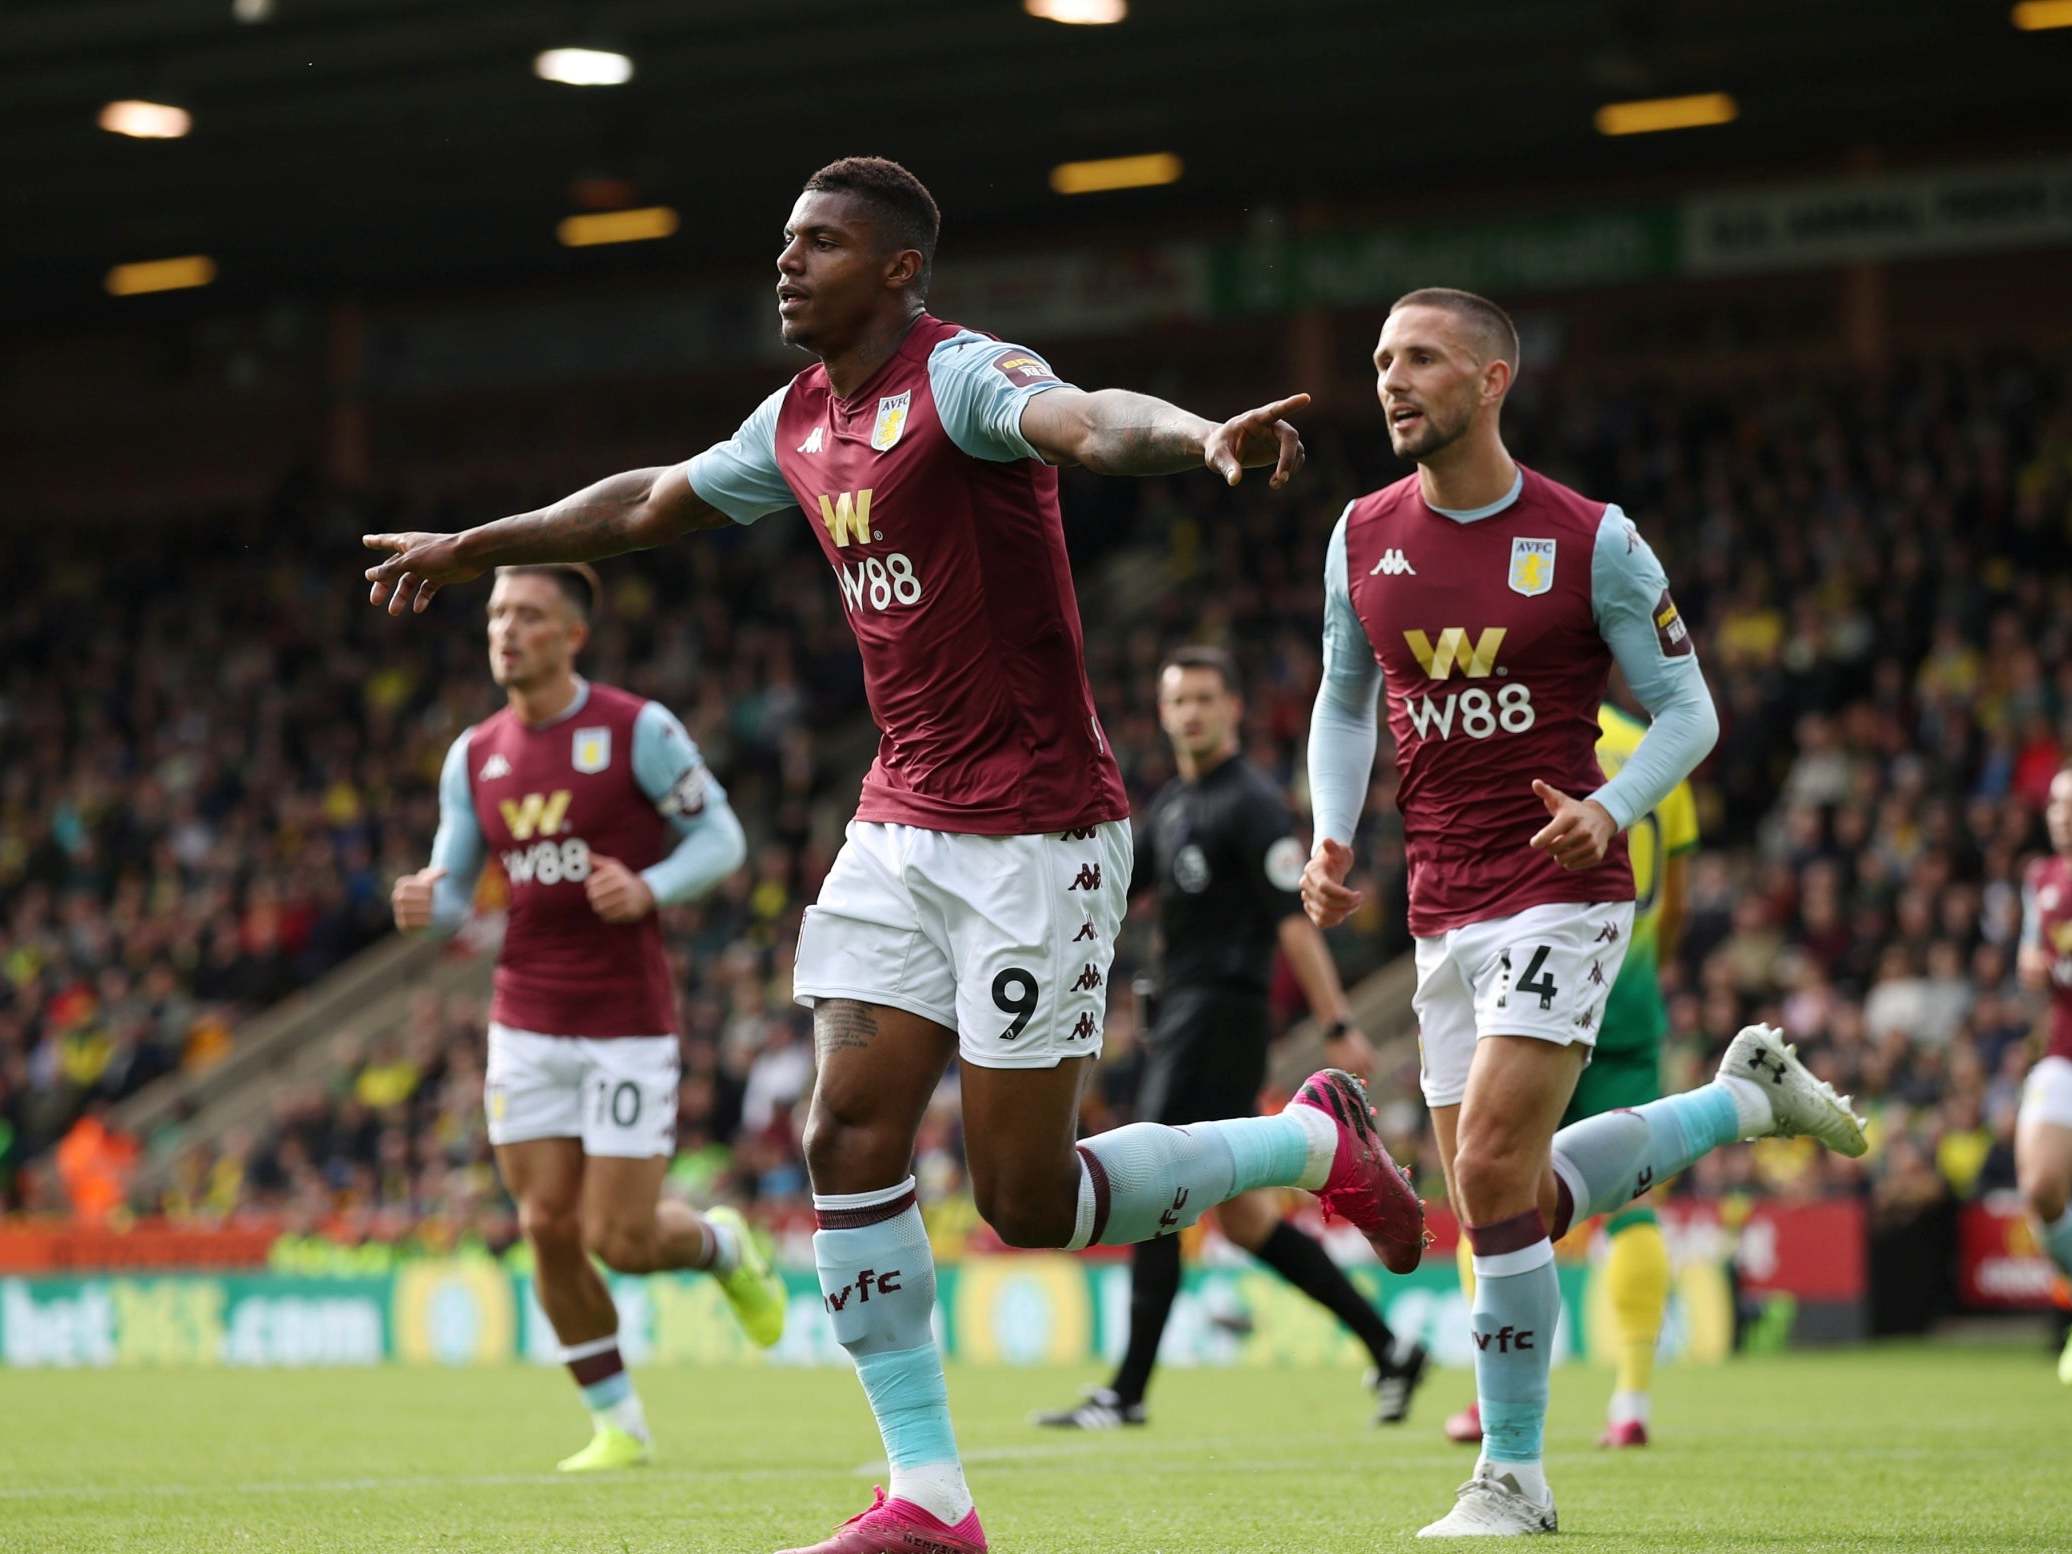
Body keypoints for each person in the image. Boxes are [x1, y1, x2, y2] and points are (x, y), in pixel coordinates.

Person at [363, 157, 1424, 1554]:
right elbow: (643, 504)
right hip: (898, 821)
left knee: (1029, 1199)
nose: (787, 264)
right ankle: (930, 1492)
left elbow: (1087, 420)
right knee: (843, 1135)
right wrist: (475, 545)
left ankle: (1310, 1136)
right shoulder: (798, 415)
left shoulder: (967, 377)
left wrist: (1197, 435)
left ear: (899, 269)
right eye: (786, 240)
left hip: (1039, 829)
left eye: (819, 244)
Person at [1301, 287, 1867, 1538]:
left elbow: (1687, 711)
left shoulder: (1592, 539)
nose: (1390, 381)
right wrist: (1334, 829)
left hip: (1563, 888)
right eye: (1381, 360)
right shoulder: (1357, 535)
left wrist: (1610, 809)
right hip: (1437, 898)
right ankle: (1739, 1103)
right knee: (1496, 1203)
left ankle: (1511, 1476)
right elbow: (1345, 705)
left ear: (1492, 380)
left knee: (1495, 1168)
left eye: (1422, 360)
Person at [390, 562, 782, 1474]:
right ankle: (617, 1425)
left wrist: (647, 885)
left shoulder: (636, 730)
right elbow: (453, 891)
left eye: (527, 615)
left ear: (573, 635)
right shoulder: (474, 754)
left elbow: (722, 838)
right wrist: (426, 900)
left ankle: (724, 1246)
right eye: (495, 615)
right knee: (544, 1225)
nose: (505, 631)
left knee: (623, 1240)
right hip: (524, 1013)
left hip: (625, 1021)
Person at [1035, 646, 1429, 1434]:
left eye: (1206, 699)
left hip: (1219, 1018)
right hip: (1182, 1017)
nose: (1191, 713)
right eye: (1178, 700)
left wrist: (1340, 1023)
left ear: (1233, 709)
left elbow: (1293, 920)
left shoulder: (1249, 803)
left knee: (1148, 1180)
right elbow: (1115, 891)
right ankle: (1390, 1348)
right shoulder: (1174, 805)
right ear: (1162, 711)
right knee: (1245, 1220)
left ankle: (1128, 1390)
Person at [1445, 700, 1698, 1449]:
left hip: (1536, 991)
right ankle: (1632, 1401)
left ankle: (1497, 1398)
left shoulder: (1523, 737)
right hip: (1629, 995)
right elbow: (1675, 901)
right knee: (1634, 1207)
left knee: (1488, 1185)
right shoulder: (1659, 753)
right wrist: (1643, 967)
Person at [2016, 763, 2072, 1383]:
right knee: (2042, 1189)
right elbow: (2031, 955)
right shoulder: (2043, 878)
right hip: (2063, 1050)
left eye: (2069, 805)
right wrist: (2031, 964)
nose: (2060, 815)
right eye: (2055, 805)